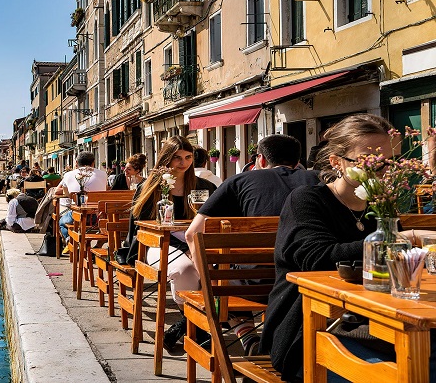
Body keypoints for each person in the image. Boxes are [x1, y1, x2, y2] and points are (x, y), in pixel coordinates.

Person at [259, 114, 436, 381]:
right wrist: (405, 237)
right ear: (336, 162)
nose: (381, 170)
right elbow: (317, 257)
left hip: (376, 322)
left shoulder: (381, 203)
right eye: (369, 161)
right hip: (310, 328)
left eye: (388, 162)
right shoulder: (306, 200)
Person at [177, 134, 320, 352]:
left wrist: (208, 283)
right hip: (308, 283)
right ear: (298, 162)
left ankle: (248, 335)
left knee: (222, 275)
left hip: (255, 285)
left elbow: (192, 234)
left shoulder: (239, 181)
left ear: (260, 160)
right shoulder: (319, 180)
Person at [119, 136, 217, 342]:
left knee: (221, 266)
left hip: (197, 241)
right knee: (185, 270)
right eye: (177, 158)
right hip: (155, 242)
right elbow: (141, 227)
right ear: (166, 159)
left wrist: (193, 244)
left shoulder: (204, 186)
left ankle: (190, 324)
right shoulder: (150, 187)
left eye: (188, 157)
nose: (184, 163)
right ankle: (195, 325)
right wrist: (184, 246)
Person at [55, 152, 108, 246]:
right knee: (106, 226)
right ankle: (96, 246)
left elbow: (64, 193)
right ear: (93, 163)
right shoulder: (103, 174)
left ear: (76, 163)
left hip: (77, 216)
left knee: (61, 222)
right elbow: (106, 190)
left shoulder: (68, 175)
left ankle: (69, 239)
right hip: (98, 217)